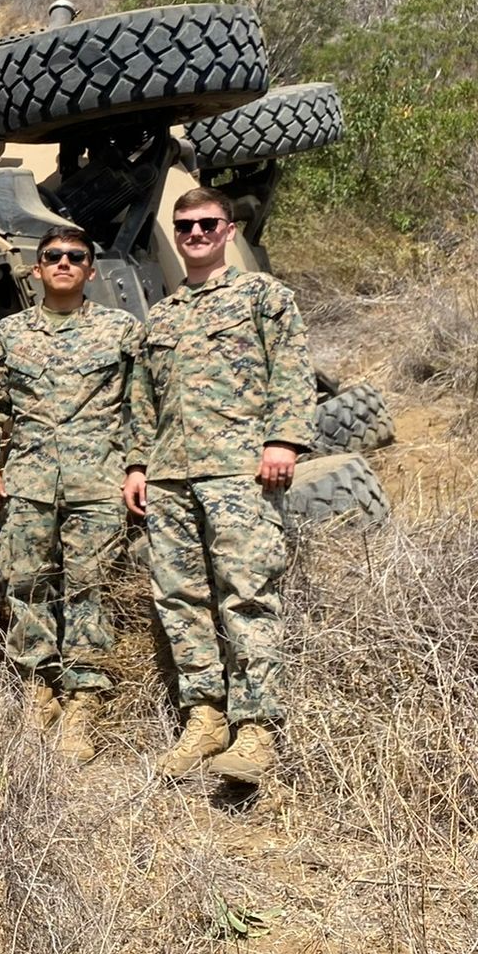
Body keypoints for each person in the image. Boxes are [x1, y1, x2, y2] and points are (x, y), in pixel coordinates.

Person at [123, 185, 315, 786]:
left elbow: (292, 368)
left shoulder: (263, 297)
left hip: (239, 471)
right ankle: (204, 718)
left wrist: (283, 440)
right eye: (185, 226)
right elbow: (141, 400)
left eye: (208, 224)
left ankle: (256, 729)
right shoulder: (161, 315)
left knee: (248, 592)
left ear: (229, 230)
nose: (196, 235)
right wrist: (136, 465)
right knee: (178, 600)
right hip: (171, 477)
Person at [0, 228, 143, 763]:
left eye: (76, 257)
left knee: (88, 586)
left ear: (91, 270)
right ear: (37, 270)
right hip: (30, 484)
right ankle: (36, 691)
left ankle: (83, 701)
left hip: (97, 484)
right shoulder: (6, 337)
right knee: (26, 583)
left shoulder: (120, 332)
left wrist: (137, 467)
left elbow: (143, 405)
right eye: (53, 257)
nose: (64, 263)